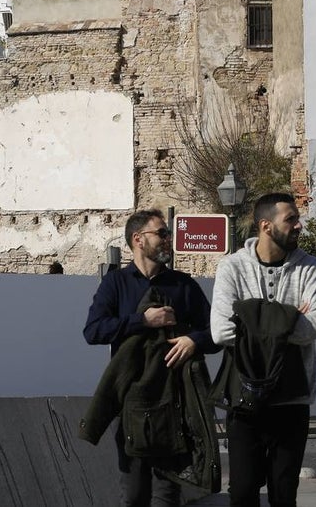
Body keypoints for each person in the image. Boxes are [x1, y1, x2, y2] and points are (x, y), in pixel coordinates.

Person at [84, 208, 215, 507]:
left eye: (168, 234)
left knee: (166, 497)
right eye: (162, 233)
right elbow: (93, 331)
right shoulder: (116, 283)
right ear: (138, 239)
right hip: (132, 406)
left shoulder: (184, 285)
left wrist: (192, 341)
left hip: (175, 405)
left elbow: (217, 333)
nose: (169, 239)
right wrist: (142, 320)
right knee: (133, 496)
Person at [211, 192, 316, 507]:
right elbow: (221, 330)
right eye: (290, 219)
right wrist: (289, 318)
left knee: (283, 493)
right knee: (243, 491)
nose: (299, 225)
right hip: (244, 397)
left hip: (292, 397)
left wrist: (250, 318)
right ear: (266, 225)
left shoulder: (311, 267)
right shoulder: (232, 267)